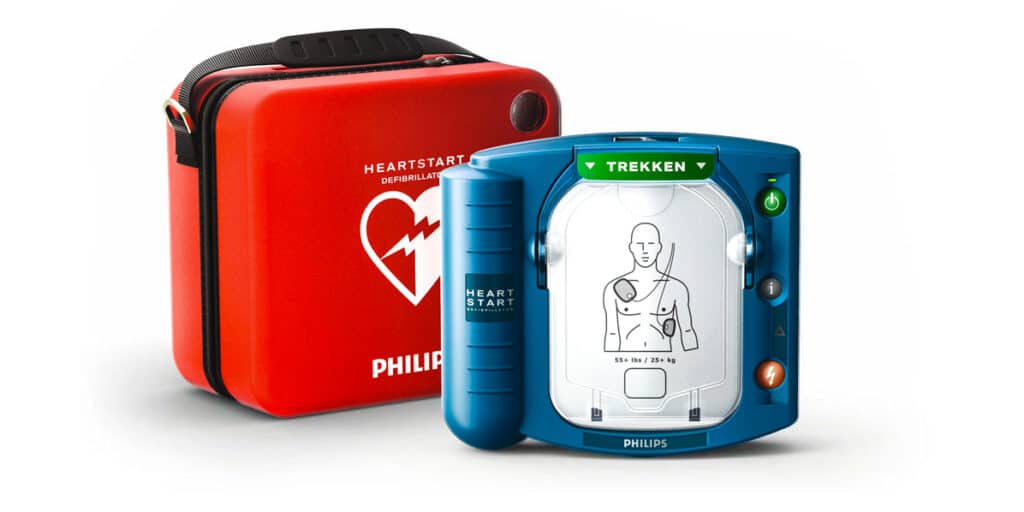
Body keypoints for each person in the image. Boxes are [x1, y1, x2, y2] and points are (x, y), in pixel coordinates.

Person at [602, 223, 698, 352]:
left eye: (650, 244)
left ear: (659, 247)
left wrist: (695, 359)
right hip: (627, 355)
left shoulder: (676, 287)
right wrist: (610, 360)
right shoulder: (613, 289)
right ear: (631, 247)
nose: (645, 250)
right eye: (639, 244)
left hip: (665, 356)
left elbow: (687, 330)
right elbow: (611, 333)